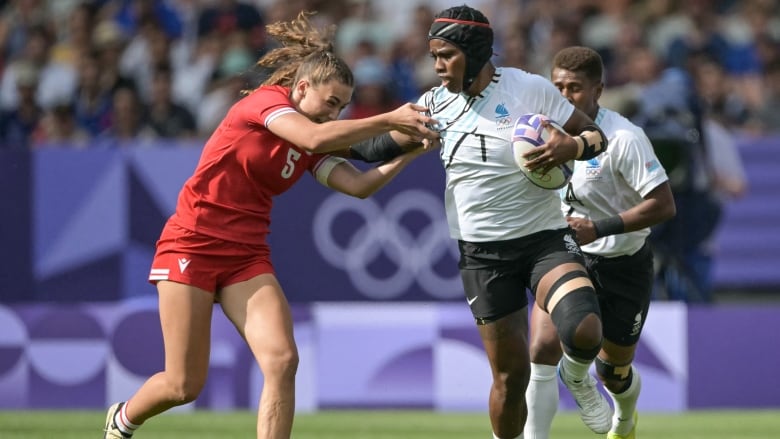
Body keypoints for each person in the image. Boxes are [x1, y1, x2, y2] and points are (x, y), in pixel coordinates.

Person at [102, 11, 440, 439]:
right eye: (331, 102)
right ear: (301, 88)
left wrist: (412, 152)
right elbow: (316, 139)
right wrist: (392, 117)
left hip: (246, 255)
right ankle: (123, 419)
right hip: (193, 244)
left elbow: (358, 186)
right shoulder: (265, 104)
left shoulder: (313, 136)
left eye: (342, 106)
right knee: (183, 384)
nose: (335, 113)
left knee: (282, 361)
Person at [386, 5, 612, 439]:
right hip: (483, 255)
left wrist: (572, 147)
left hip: (544, 239)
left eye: (445, 55)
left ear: (473, 53)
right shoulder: (433, 105)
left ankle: (579, 378)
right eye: (433, 55)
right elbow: (376, 147)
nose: (436, 65)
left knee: (584, 330)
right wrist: (318, 141)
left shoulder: (528, 87)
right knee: (510, 379)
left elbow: (595, 136)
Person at [524, 46, 676, 439]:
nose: (563, 97)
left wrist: (599, 227)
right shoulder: (535, 135)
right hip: (566, 255)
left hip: (624, 263)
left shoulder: (624, 138)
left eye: (574, 88)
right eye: (557, 86)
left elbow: (663, 205)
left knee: (613, 372)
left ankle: (624, 416)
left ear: (598, 90)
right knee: (541, 351)